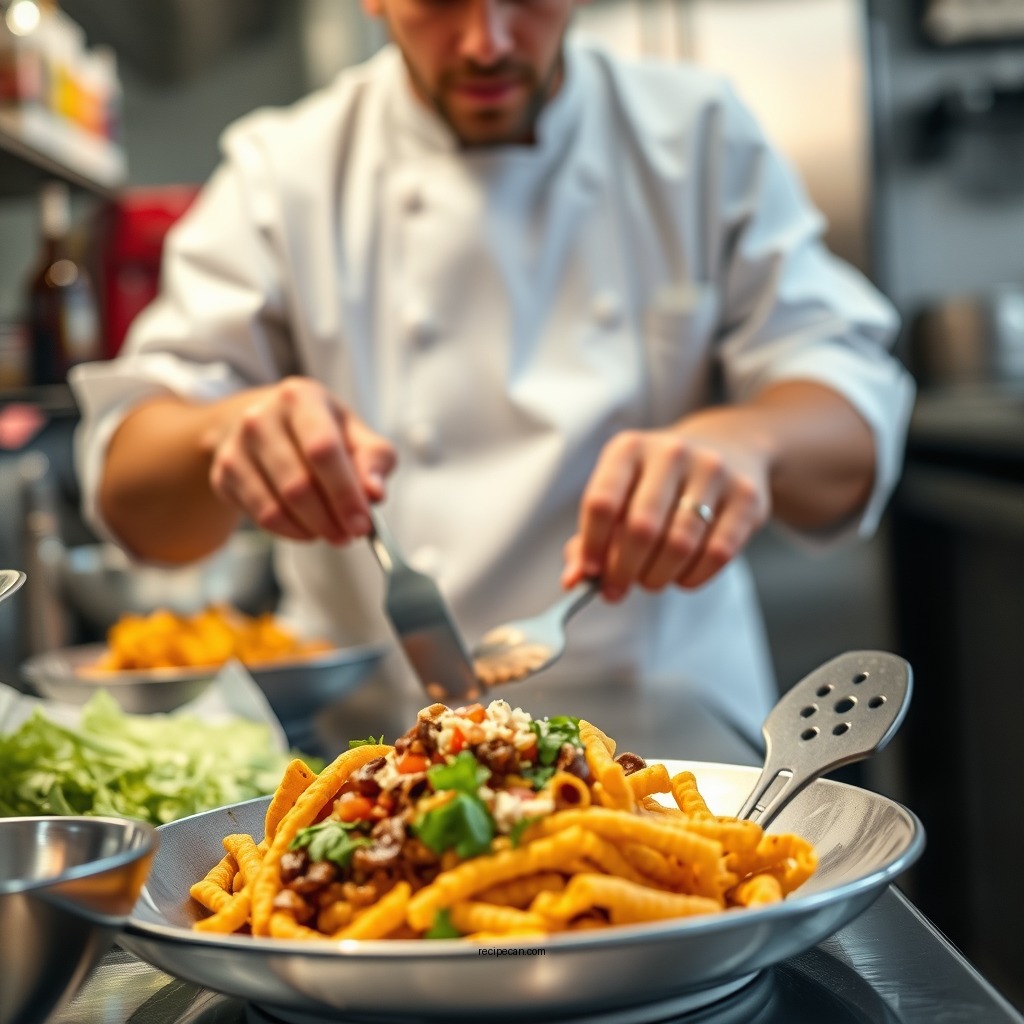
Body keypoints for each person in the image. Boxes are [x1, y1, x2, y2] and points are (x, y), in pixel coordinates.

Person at [70, 0, 914, 742]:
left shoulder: (697, 136)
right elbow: (134, 492)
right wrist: (223, 434)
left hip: (677, 736)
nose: (486, 40)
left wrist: (751, 442)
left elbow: (848, 413)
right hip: (362, 745)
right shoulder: (283, 171)